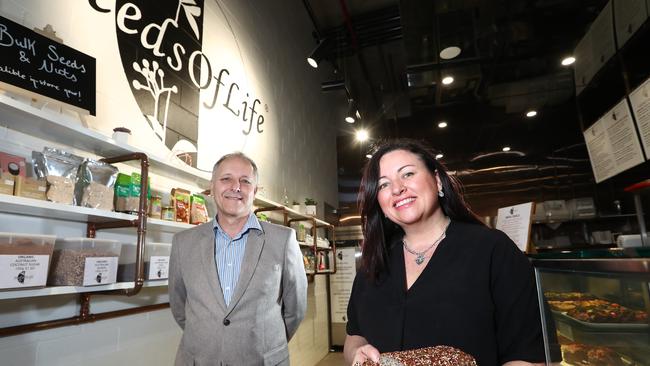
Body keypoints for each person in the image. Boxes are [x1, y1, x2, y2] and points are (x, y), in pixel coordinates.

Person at [344, 139, 549, 366]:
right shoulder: (373, 264)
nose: (396, 188)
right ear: (379, 203)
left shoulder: (492, 250)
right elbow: (354, 335)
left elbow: (529, 354)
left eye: (408, 174)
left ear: (438, 180)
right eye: (383, 184)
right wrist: (357, 352)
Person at [169, 152, 307, 366]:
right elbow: (179, 307)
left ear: (255, 190)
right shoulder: (183, 243)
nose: (236, 187)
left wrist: (265, 344)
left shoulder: (283, 240)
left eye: (245, 181)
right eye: (226, 179)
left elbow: (295, 310)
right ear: (212, 186)